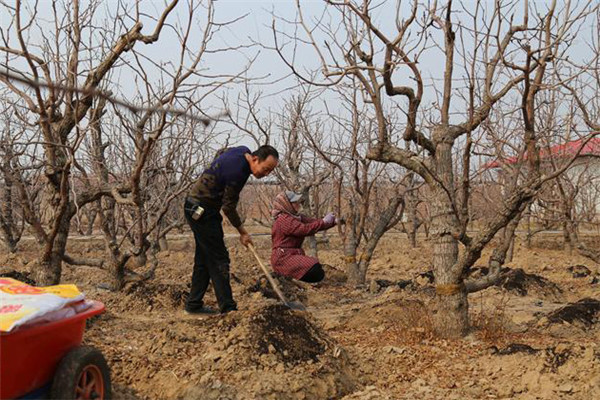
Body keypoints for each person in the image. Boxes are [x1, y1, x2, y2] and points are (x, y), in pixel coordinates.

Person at [184, 145, 279, 314]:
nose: (265, 175)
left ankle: (193, 305)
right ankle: (228, 309)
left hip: (198, 206)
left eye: (269, 172)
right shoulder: (238, 173)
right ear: (255, 159)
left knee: (204, 258)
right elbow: (229, 207)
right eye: (265, 170)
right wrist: (242, 232)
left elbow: (221, 152)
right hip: (201, 211)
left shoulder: (242, 150)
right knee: (219, 259)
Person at [270, 191, 336, 283]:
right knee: (314, 269)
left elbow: (313, 223)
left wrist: (333, 222)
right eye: (295, 202)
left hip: (291, 254)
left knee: (315, 268)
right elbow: (303, 229)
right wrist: (324, 222)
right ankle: (291, 280)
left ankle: (293, 280)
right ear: (287, 204)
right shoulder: (283, 219)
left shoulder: (296, 217)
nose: (298, 204)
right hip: (283, 257)